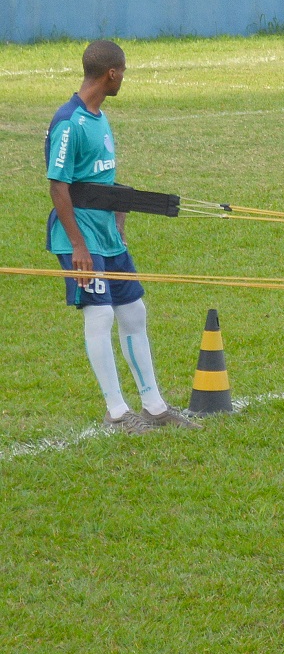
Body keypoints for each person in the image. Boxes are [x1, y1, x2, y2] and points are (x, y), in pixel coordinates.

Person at [45, 40, 197, 434]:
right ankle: (116, 411)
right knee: (100, 314)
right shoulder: (69, 121)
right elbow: (59, 188)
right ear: (111, 73)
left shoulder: (100, 117)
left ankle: (154, 406)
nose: (124, 78)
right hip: (80, 239)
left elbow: (100, 180)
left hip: (108, 236)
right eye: (123, 72)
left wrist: (120, 216)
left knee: (134, 312)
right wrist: (79, 246)